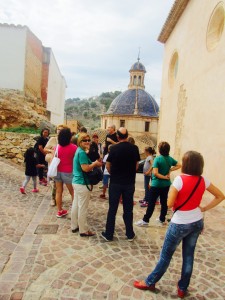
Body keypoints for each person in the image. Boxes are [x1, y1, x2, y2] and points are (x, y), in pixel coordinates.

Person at [133, 150, 225, 298]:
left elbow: (169, 204)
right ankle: (183, 288)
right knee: (189, 256)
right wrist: (204, 208)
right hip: (196, 221)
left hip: (180, 223)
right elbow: (220, 196)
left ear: (186, 164)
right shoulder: (203, 180)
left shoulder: (179, 180)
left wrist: (175, 199)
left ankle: (150, 282)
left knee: (166, 256)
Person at [101, 127, 140, 242]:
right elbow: (137, 166)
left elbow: (108, 165)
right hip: (129, 183)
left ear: (117, 137)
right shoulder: (134, 148)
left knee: (112, 209)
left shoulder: (113, 148)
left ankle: (108, 234)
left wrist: (115, 173)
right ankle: (129, 234)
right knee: (128, 209)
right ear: (127, 136)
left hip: (115, 183)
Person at [135, 141, 181, 227]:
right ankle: (162, 219)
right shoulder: (170, 159)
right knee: (164, 202)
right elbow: (179, 165)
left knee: (151, 203)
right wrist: (170, 170)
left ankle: (145, 220)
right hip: (166, 185)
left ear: (160, 150)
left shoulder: (157, 159)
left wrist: (164, 176)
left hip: (156, 185)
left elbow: (155, 173)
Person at [71, 133, 102, 237]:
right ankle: (83, 230)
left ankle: (74, 226)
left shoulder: (79, 151)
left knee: (76, 205)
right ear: (80, 142)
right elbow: (85, 168)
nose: (88, 142)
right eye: (85, 140)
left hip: (76, 181)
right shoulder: (82, 153)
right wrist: (95, 164)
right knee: (82, 207)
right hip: (82, 183)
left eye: (88, 140)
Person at [54, 128, 77, 218]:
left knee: (59, 192)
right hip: (68, 172)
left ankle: (59, 210)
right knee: (73, 192)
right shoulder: (73, 147)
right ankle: (75, 211)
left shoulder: (57, 147)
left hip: (57, 171)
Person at [44, 124, 68, 206]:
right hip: (54, 164)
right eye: (58, 129)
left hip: (62, 164)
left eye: (61, 129)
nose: (59, 130)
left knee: (60, 184)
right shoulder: (53, 139)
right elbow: (45, 148)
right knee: (54, 183)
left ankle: (58, 198)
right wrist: (52, 151)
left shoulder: (66, 141)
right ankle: (53, 199)